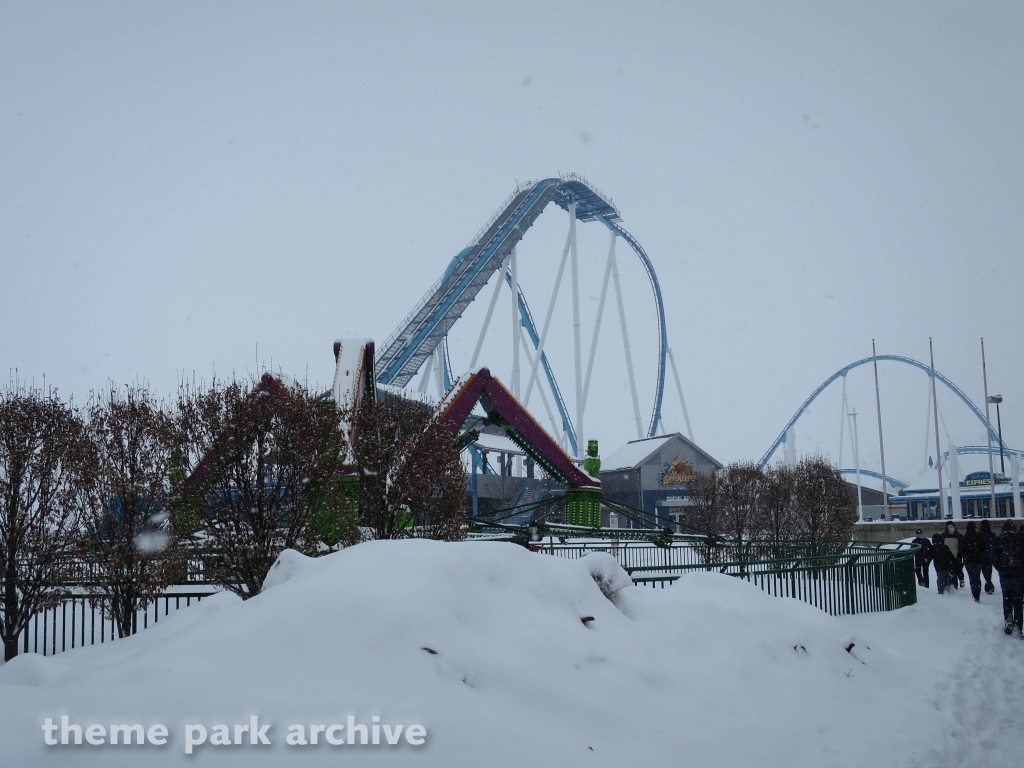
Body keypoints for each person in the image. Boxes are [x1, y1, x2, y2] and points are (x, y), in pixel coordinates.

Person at [992, 520, 1024, 636]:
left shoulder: (998, 540)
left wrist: (1001, 570)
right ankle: (1019, 625)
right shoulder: (1020, 539)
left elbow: (993, 558)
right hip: (1018, 575)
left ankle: (1008, 620)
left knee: (1006, 598)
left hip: (1005, 575)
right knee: (1018, 601)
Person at [960, 521, 987, 602]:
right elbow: (984, 548)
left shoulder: (965, 538)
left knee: (972, 577)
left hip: (969, 561)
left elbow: (961, 550)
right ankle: (977, 592)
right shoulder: (979, 536)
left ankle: (975, 593)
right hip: (978, 560)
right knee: (977, 577)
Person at [938, 521, 965, 588]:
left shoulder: (943, 535)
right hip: (957, 555)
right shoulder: (958, 535)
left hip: (947, 555)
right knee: (958, 568)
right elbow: (961, 546)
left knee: (950, 570)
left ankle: (952, 584)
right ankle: (961, 579)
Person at [980, 518, 997, 595]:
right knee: (989, 571)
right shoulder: (992, 535)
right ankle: (989, 583)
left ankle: (988, 584)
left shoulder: (980, 535)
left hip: (982, 556)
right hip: (990, 555)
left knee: (984, 571)